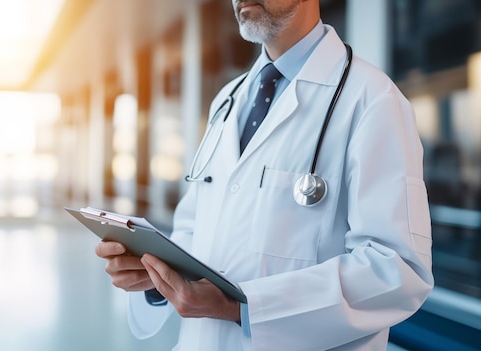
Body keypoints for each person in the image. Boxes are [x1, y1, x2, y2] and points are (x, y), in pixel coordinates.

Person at [95, 0, 433, 350]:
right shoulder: (228, 100)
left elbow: (396, 269)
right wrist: (156, 277)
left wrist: (243, 306)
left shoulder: (372, 100)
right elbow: (195, 231)